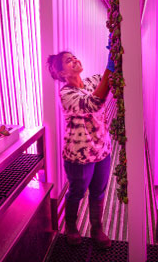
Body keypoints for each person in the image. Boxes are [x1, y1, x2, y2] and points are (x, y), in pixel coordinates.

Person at [46, 48, 114, 248]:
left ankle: (96, 229)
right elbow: (93, 103)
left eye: (74, 56)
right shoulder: (66, 94)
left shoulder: (93, 81)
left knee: (98, 192)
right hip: (78, 156)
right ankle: (71, 226)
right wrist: (109, 68)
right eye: (68, 61)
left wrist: (116, 51)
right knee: (77, 191)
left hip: (102, 150)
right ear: (61, 74)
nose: (74, 59)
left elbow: (109, 78)